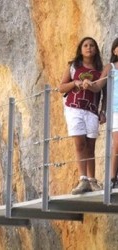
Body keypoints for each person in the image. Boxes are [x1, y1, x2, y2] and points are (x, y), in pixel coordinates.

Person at [59, 37, 106, 195]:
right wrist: (75, 83)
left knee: (91, 145)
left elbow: (104, 93)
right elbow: (61, 87)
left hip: (92, 110)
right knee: (80, 143)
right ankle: (83, 179)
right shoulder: (73, 66)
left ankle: (92, 181)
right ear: (80, 49)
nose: (89, 48)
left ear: (96, 49)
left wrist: (103, 111)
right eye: (85, 45)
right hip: (74, 108)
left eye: (92, 45)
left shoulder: (100, 71)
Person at [83, 37, 118, 188]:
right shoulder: (111, 67)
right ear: (114, 50)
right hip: (115, 110)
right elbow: (99, 86)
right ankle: (112, 179)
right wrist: (88, 84)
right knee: (117, 144)